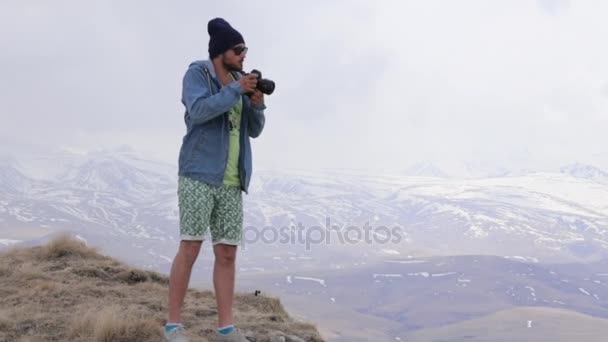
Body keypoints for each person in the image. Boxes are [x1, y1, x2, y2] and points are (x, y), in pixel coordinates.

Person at [164, 17, 266, 342]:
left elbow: (253, 131)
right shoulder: (198, 74)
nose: (243, 56)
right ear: (221, 51)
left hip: (232, 180)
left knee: (227, 254)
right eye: (239, 50)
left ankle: (225, 330)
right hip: (198, 173)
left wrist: (258, 107)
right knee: (191, 245)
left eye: (245, 50)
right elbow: (198, 112)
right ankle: (173, 326)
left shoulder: (240, 81)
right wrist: (236, 89)